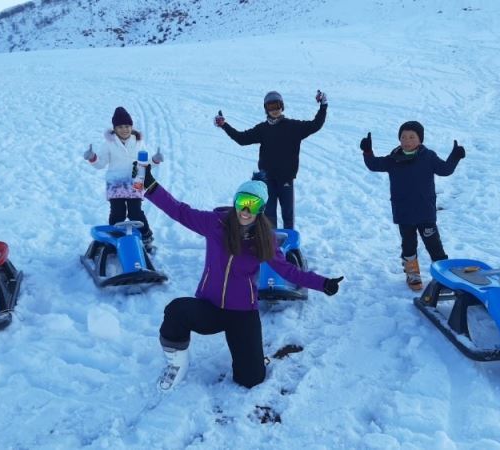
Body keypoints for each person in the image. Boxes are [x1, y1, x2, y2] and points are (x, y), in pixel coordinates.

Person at [135, 165, 344, 391]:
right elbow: (180, 211)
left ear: (261, 209)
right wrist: (151, 185)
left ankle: (253, 359)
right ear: (235, 201)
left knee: (251, 379)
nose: (245, 210)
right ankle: (178, 364)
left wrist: (322, 283)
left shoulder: (265, 239)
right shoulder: (215, 224)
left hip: (242, 312)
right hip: (210, 308)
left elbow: (288, 271)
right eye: (242, 201)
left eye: (252, 204)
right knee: (176, 310)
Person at [360, 121, 466, 291]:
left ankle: (444, 275)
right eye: (403, 137)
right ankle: (412, 273)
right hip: (404, 213)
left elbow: (445, 169)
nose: (407, 140)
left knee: (434, 245)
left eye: (411, 137)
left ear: (420, 139)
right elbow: (374, 165)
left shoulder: (428, 156)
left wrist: (455, 156)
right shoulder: (393, 159)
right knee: (408, 244)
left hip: (425, 212)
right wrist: (367, 151)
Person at [214, 90, 328, 229]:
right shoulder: (263, 129)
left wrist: (323, 105)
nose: (274, 110)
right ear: (266, 109)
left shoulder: (293, 127)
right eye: (270, 107)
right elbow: (241, 139)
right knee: (269, 214)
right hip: (267, 179)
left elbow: (315, 124)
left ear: (282, 106)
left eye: (277, 106)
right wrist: (224, 125)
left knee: (288, 214)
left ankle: (289, 245)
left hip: (286, 178)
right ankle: (270, 244)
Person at [83, 106, 162, 252]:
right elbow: (100, 164)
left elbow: (145, 163)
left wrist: (155, 160)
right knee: (117, 212)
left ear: (131, 126)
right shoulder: (109, 144)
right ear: (114, 128)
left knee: (135, 212)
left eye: (127, 126)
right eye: (120, 127)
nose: (124, 129)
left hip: (135, 182)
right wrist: (92, 157)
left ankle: (146, 237)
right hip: (116, 183)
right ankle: (115, 238)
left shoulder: (138, 142)